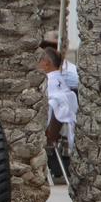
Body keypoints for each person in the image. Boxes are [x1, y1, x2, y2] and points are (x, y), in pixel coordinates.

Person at [40, 44, 77, 187]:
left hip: (50, 133)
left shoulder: (48, 82)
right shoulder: (62, 83)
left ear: (47, 63)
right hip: (63, 131)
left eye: (40, 60)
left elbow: (52, 108)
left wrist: (50, 135)